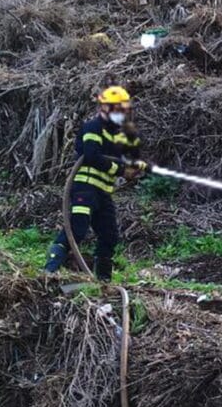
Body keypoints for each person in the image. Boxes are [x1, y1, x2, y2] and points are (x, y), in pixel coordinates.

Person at [44, 86, 148, 281]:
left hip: (103, 193)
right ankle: (48, 272)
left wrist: (135, 168)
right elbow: (92, 156)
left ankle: (103, 281)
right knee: (76, 229)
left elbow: (121, 162)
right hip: (85, 188)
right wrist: (121, 169)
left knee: (109, 235)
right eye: (116, 108)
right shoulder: (93, 127)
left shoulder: (118, 135)